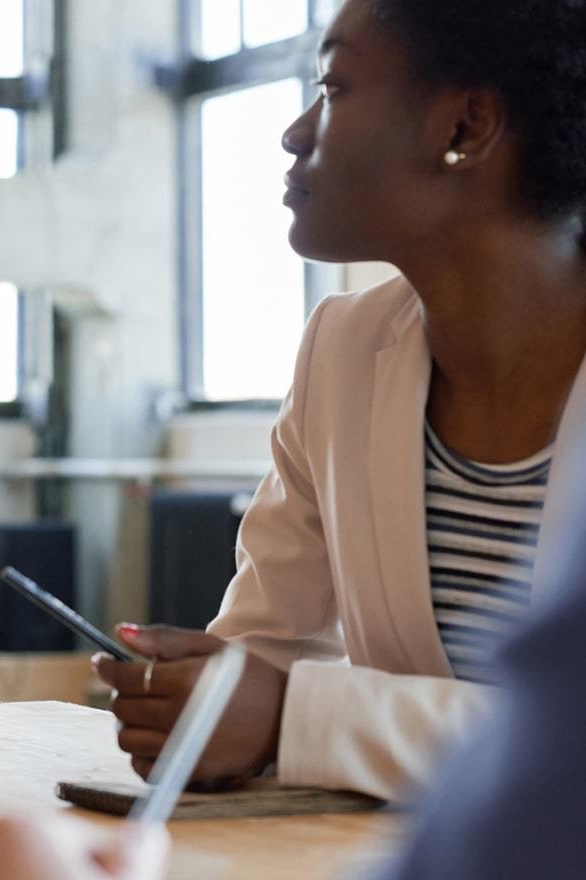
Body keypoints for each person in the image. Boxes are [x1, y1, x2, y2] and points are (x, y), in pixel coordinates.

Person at [94, 0, 586, 801]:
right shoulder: (343, 352)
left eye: (335, 86)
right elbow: (270, 651)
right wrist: (201, 706)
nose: (295, 132)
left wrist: (290, 720)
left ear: (465, 128)